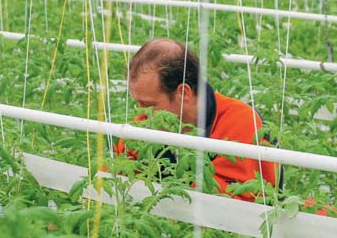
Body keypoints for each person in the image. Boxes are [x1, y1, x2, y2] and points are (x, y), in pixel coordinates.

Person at [115, 38, 278, 200]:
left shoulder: (239, 121)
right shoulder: (142, 127)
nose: (142, 111)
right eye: (138, 102)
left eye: (148, 103)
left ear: (183, 93)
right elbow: (118, 180)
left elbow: (226, 199)